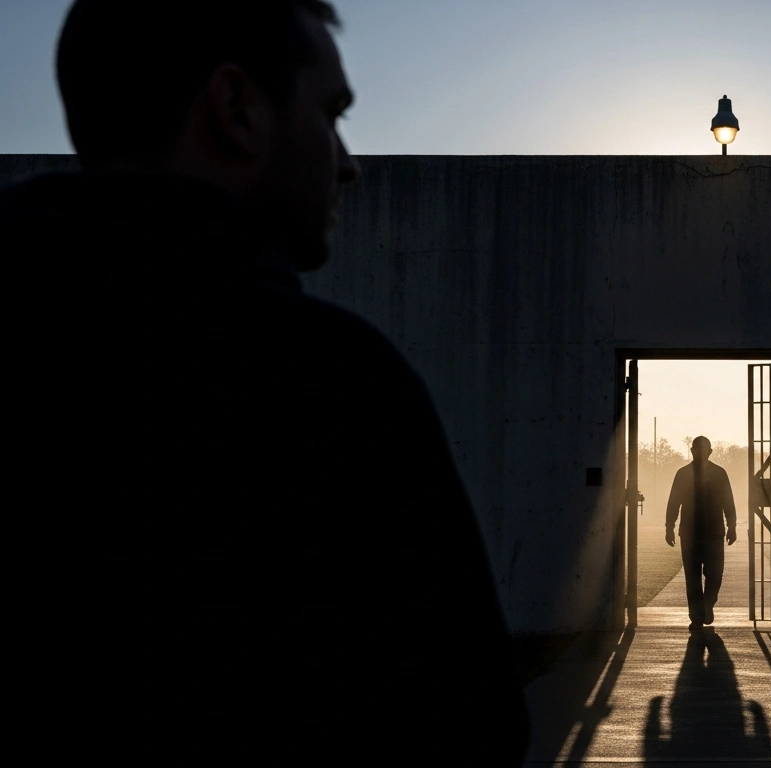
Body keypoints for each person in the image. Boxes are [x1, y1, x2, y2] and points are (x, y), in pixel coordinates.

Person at [1, 0, 529, 761]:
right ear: (237, 108)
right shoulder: (335, 388)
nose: (348, 162)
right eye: (331, 114)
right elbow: (468, 727)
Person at [665, 437, 738, 630]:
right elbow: (674, 501)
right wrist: (669, 527)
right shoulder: (683, 474)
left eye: (703, 449)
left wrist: (732, 525)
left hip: (713, 532)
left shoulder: (719, 473)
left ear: (710, 451)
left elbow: (728, 501)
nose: (700, 452)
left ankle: (707, 603)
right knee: (693, 575)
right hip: (690, 533)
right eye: (697, 449)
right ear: (692, 451)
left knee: (715, 573)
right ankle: (697, 614)